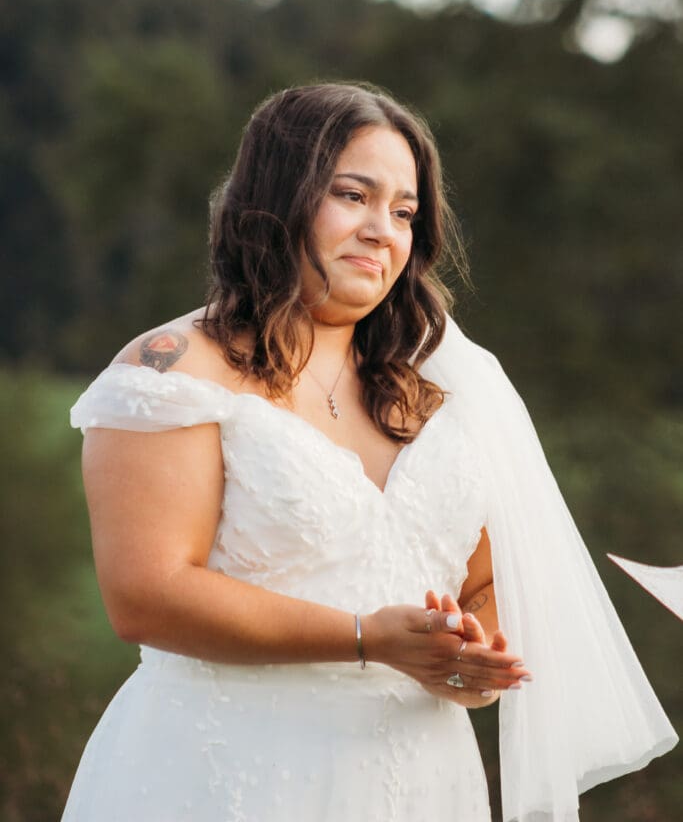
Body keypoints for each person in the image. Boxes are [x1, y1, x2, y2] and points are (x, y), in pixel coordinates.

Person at [62, 83, 676, 822]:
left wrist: (468, 662)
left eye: (404, 212)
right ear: (276, 198)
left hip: (423, 784)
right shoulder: (173, 368)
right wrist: (364, 639)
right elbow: (146, 594)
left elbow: (481, 591)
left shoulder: (440, 395)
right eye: (353, 196)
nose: (382, 230)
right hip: (223, 773)